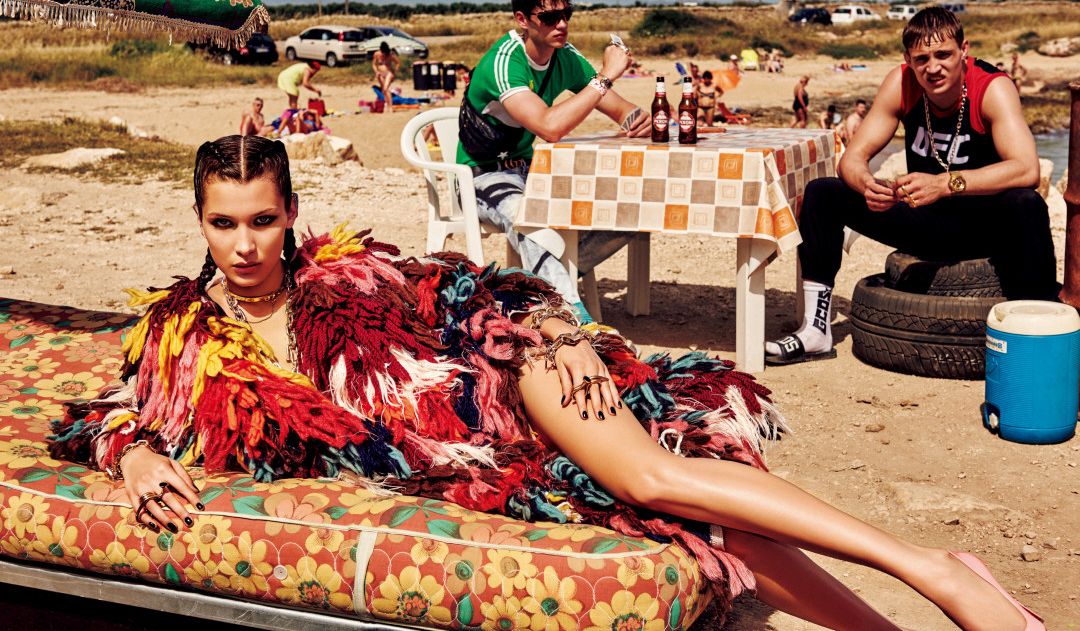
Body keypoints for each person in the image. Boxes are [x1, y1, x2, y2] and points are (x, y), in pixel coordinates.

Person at [48, 134, 1045, 631]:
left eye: (262, 221)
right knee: (697, 526)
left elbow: (478, 285)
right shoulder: (183, 335)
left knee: (653, 478)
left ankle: (932, 569)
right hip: (475, 465)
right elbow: (114, 413)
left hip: (510, 378)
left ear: (290, 214)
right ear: (201, 222)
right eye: (224, 224)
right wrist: (132, 458)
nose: (244, 245)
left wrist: (560, 335)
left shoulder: (348, 271)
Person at [765, 7, 1057, 366]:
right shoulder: (901, 83)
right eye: (922, 59)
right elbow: (852, 159)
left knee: (1026, 202)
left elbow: (1027, 168)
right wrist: (868, 184)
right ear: (908, 60)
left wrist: (945, 184)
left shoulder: (992, 87)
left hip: (987, 227)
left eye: (943, 55)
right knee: (823, 193)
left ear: (964, 50)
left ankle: (1041, 331)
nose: (933, 68)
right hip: (925, 222)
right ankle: (815, 330)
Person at [456, 0, 650, 321]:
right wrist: (605, 77)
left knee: (628, 204)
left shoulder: (565, 56)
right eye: (548, 17)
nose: (561, 24)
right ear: (523, 20)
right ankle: (573, 315)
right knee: (526, 213)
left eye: (566, 14)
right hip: (481, 176)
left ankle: (534, 281)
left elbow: (622, 112)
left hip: (532, 170)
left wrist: (640, 119)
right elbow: (550, 127)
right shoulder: (506, 61)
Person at [372, 42, 400, 113]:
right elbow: (374, 64)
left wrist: (394, 73)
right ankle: (387, 105)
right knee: (384, 91)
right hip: (380, 74)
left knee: (386, 88)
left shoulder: (390, 56)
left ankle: (390, 107)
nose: (384, 54)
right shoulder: (377, 54)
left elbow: (397, 63)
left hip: (388, 73)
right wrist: (376, 72)